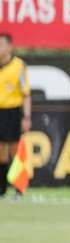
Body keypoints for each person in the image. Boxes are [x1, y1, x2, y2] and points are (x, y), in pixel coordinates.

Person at [0, 33, 31, 198]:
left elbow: (26, 93)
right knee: (0, 152)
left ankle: (19, 189)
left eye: (1, 45)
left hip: (13, 111)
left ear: (9, 47)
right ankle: (2, 189)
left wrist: (26, 116)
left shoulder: (19, 66)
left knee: (15, 150)